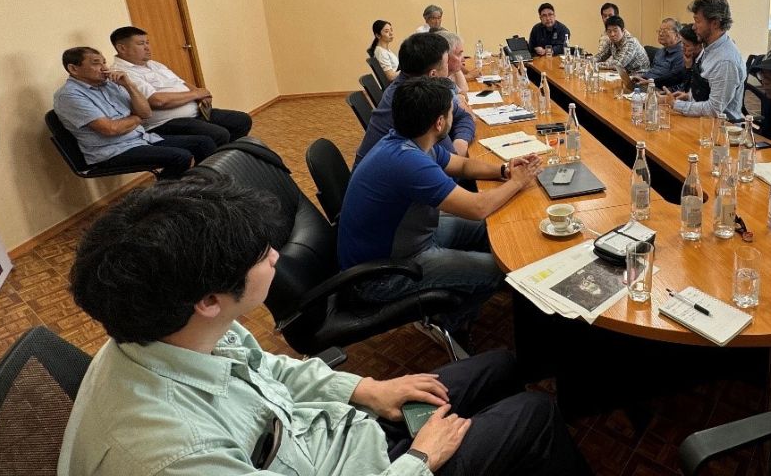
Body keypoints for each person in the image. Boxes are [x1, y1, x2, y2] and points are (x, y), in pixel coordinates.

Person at [60, 177, 590, 476]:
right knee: (534, 413)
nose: (275, 256)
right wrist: (421, 459)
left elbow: (270, 371)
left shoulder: (183, 329)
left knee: (501, 366)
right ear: (208, 300)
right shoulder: (175, 455)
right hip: (367, 468)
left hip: (328, 436)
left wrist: (367, 388)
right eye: (261, 254)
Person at [339, 77, 544, 336]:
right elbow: (477, 207)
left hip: (410, 242)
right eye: (451, 112)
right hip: (384, 274)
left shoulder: (411, 141)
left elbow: (462, 165)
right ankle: (446, 322)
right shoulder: (408, 162)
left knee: (493, 230)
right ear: (439, 122)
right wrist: (518, 182)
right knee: (500, 269)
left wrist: (504, 170)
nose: (453, 116)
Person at [52, 47, 213, 179]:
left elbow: (146, 112)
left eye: (104, 62)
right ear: (73, 69)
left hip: (141, 138)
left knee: (204, 143)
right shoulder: (69, 96)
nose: (104, 68)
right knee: (180, 157)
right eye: (96, 63)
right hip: (112, 151)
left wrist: (129, 85)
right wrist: (137, 117)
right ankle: (162, 198)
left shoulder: (111, 84)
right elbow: (110, 129)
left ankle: (205, 188)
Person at [110, 26, 252, 148]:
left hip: (196, 113)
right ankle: (212, 167)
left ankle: (229, 159)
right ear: (122, 48)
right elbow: (158, 101)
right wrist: (196, 94)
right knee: (219, 134)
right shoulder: (123, 73)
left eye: (147, 42)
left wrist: (200, 92)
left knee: (241, 120)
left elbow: (180, 83)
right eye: (141, 44)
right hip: (165, 123)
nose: (147, 47)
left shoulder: (154, 64)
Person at [356, 33, 475, 165]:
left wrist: (461, 141)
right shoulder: (416, 102)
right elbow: (451, 164)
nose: (449, 67)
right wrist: (457, 153)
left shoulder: (422, 88)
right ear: (433, 75)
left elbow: (464, 116)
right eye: (446, 62)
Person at [672, 0, 745, 121]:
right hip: (702, 121)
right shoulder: (710, 48)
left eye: (697, 21)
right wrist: (689, 96)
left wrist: (675, 104)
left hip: (721, 128)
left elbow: (714, 109)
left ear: (715, 23)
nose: (693, 27)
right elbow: (708, 90)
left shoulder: (725, 61)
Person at [631, 18, 684, 89]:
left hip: (660, 89)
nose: (660, 34)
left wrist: (650, 84)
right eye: (659, 31)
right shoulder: (660, 51)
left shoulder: (682, 54)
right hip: (646, 84)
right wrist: (641, 77)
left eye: (665, 31)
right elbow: (653, 71)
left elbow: (675, 82)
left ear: (677, 35)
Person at [677, 23, 708, 100]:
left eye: (686, 45)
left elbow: (695, 91)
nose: (683, 48)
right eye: (682, 44)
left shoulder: (705, 62)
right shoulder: (691, 57)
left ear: (699, 46)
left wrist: (689, 68)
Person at [439, 30, 472, 100]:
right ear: (446, 57)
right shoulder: (438, 81)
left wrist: (457, 67)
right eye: (459, 54)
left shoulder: (447, 77)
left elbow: (464, 92)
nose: (463, 59)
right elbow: (463, 97)